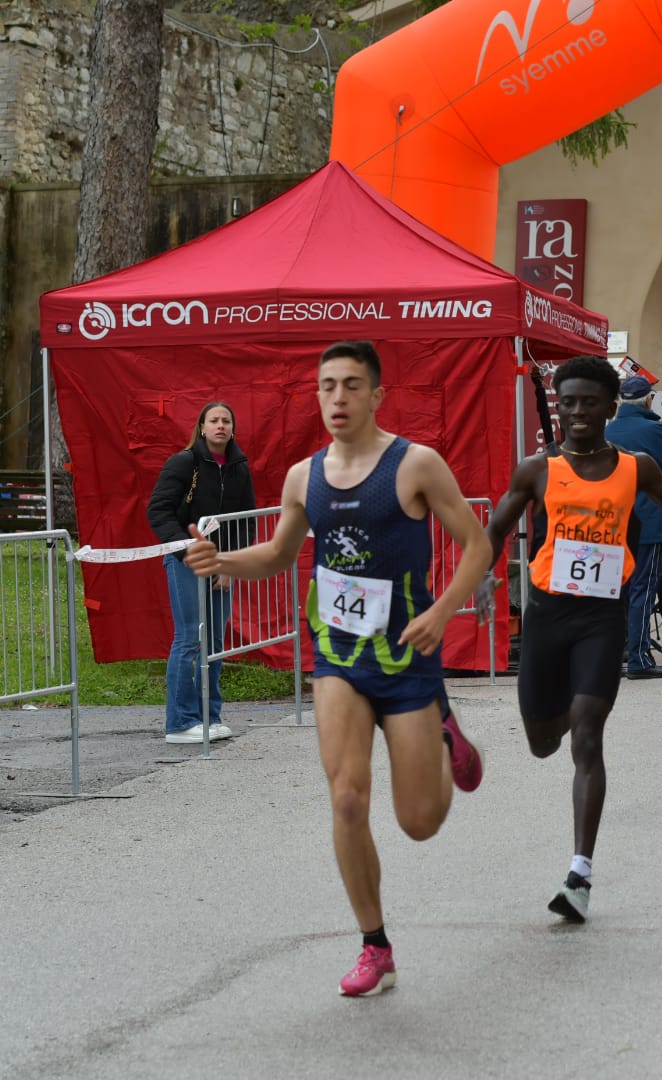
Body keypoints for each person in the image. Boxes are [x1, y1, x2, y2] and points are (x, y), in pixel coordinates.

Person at [183, 341, 491, 997]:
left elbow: (477, 544)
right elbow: (277, 554)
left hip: (406, 659)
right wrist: (220, 562)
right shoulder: (304, 477)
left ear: (377, 395)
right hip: (340, 659)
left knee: (419, 822)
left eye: (352, 385)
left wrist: (442, 612)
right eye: (327, 386)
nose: (338, 398)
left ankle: (445, 732)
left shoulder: (415, 465)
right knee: (347, 797)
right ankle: (375, 946)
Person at [478, 355, 662, 923]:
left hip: (602, 616)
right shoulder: (537, 469)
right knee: (543, 742)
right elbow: (494, 529)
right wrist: (481, 577)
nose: (576, 412)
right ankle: (562, 711)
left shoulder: (635, 466)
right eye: (568, 402)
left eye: (588, 402)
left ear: (609, 407)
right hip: (548, 615)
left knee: (588, 737)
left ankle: (579, 874)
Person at [147, 401, 256, 744]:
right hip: (185, 561)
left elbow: (246, 521)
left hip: (220, 564)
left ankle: (210, 716)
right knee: (190, 638)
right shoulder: (184, 462)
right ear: (202, 427)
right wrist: (186, 549)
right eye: (214, 420)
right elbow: (158, 511)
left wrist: (229, 564)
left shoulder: (239, 468)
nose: (220, 425)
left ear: (233, 429)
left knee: (215, 642)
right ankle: (180, 723)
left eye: (226, 420)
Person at [604, 374, 662, 679]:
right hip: (648, 522)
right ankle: (640, 659)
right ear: (649, 400)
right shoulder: (654, 431)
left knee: (620, 591)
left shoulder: (608, 430)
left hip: (613, 523)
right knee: (644, 587)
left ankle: (618, 652)